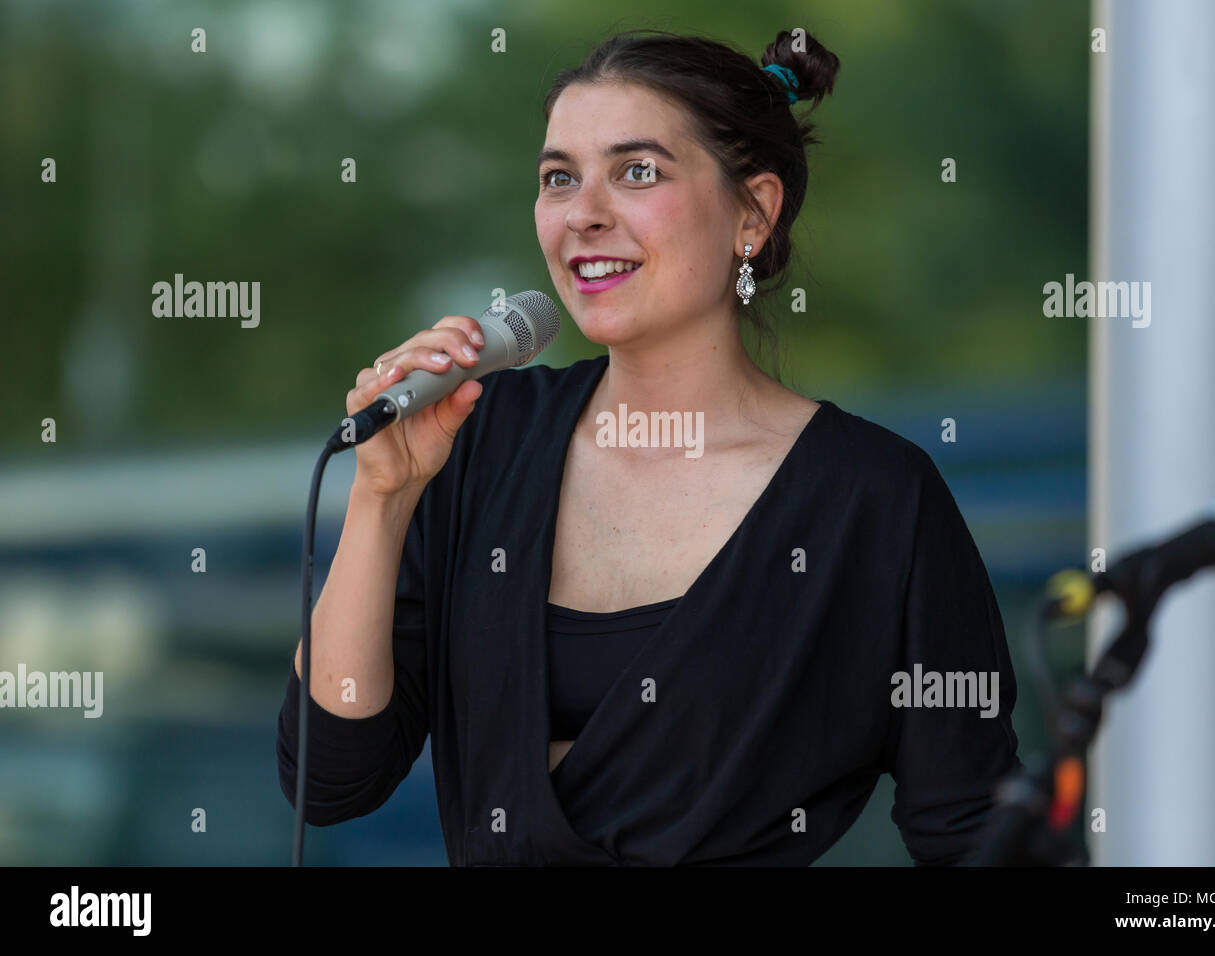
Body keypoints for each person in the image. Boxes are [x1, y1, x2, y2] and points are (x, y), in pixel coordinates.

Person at [276, 28, 1022, 866]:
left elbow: (974, 835)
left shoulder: (875, 500)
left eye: (638, 172)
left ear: (754, 213)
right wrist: (382, 497)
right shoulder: (476, 439)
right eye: (560, 178)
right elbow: (331, 780)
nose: (584, 213)